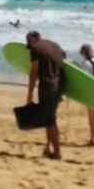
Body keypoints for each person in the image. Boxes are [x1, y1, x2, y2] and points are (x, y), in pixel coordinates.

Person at [23, 31, 65, 160]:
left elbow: (34, 72)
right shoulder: (56, 45)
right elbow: (65, 63)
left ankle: (57, 153)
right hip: (60, 85)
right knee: (49, 118)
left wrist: (30, 94)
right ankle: (48, 148)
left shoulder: (35, 48)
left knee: (49, 120)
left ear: (32, 39)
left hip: (47, 86)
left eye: (29, 43)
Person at [76, 45, 94, 147]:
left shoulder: (85, 64)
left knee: (92, 119)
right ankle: (92, 139)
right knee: (92, 118)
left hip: (91, 93)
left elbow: (85, 79)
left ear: (83, 53)